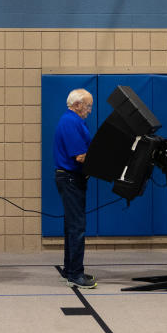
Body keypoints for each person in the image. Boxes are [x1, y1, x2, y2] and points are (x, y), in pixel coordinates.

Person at [54, 88, 96, 289]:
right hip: (70, 178)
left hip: (70, 179)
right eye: (88, 106)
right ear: (78, 104)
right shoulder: (71, 121)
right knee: (77, 226)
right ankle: (75, 274)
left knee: (72, 225)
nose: (89, 110)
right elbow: (80, 156)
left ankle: (70, 269)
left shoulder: (73, 120)